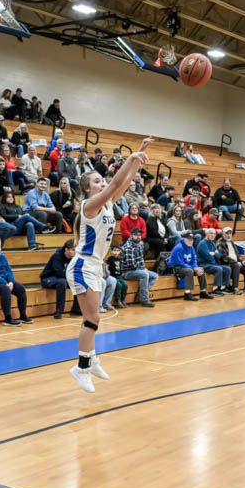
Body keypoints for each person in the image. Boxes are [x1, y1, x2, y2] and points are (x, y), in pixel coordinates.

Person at [67, 137, 153, 392]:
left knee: (94, 318)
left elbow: (124, 183)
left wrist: (138, 155)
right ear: (86, 189)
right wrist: (130, 157)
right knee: (92, 317)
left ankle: (91, 359)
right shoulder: (89, 205)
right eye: (96, 181)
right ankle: (81, 367)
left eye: (101, 180)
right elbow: (115, 182)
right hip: (82, 265)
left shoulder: (107, 202)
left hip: (95, 265)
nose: (102, 183)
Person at [120, 225, 158, 310]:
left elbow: (141, 260)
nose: (138, 237)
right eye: (136, 235)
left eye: (140, 235)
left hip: (136, 270)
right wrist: (142, 269)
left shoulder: (139, 245)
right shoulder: (128, 247)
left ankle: (141, 294)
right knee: (144, 274)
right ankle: (144, 300)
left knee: (155, 276)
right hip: (127, 272)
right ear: (131, 235)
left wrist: (143, 267)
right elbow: (131, 264)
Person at [167, 231, 213, 301]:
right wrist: (193, 269)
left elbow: (193, 261)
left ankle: (203, 291)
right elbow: (180, 263)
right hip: (175, 267)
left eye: (192, 239)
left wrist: (196, 268)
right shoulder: (179, 248)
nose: (190, 241)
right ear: (184, 239)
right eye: (189, 239)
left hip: (186, 266)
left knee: (201, 269)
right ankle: (187, 293)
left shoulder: (191, 248)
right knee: (189, 271)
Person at [41, 239, 76, 319]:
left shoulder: (73, 258)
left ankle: (76, 309)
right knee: (62, 282)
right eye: (73, 250)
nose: (75, 252)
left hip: (62, 279)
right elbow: (59, 272)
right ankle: (59, 311)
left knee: (78, 282)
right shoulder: (57, 256)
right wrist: (71, 280)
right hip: (48, 279)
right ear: (66, 249)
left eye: (75, 250)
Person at [217, 226, 245, 293]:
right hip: (226, 264)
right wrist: (235, 262)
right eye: (227, 233)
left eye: (230, 233)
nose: (229, 235)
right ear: (223, 234)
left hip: (234, 263)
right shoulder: (220, 243)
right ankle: (235, 287)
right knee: (236, 265)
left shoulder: (232, 242)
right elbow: (224, 257)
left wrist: (242, 260)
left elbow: (237, 254)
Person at [197, 228, 231, 294]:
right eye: (211, 233)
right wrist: (214, 253)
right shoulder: (202, 243)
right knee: (219, 269)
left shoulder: (212, 243)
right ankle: (215, 289)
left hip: (212, 264)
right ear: (206, 234)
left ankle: (224, 287)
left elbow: (219, 256)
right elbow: (208, 257)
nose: (213, 235)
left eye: (214, 234)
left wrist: (213, 253)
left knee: (227, 268)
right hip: (203, 264)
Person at [107, 243, 128, 308]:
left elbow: (120, 268)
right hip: (113, 276)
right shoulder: (110, 258)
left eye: (117, 250)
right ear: (111, 251)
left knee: (125, 285)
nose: (116, 252)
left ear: (120, 251)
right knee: (119, 285)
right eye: (114, 250)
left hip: (119, 276)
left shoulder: (119, 259)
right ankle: (117, 300)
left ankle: (123, 300)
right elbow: (107, 267)